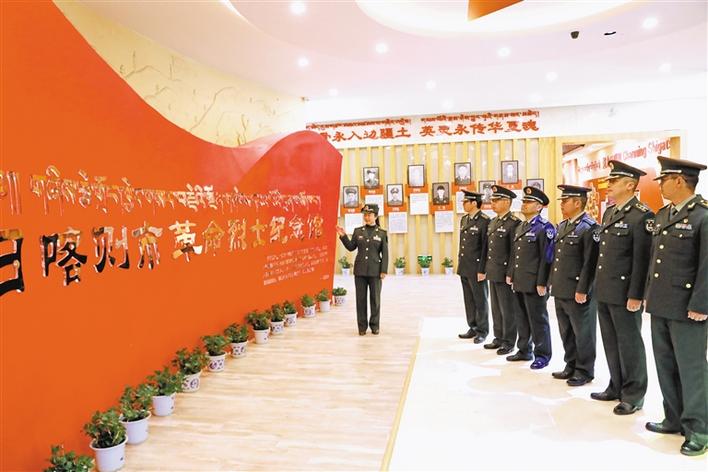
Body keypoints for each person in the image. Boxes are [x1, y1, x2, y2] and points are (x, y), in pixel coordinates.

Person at [644, 156, 707, 457]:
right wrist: (648, 294)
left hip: (688, 307)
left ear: (679, 180)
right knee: (666, 364)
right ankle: (673, 417)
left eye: (664, 180)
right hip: (662, 303)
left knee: (692, 369)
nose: (660, 185)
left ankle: (699, 429)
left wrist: (702, 303)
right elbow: (655, 262)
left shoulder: (702, 216)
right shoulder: (663, 215)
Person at [592, 161, 653, 415]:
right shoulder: (610, 213)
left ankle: (634, 394)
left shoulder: (642, 215)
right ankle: (616, 385)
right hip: (605, 290)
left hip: (625, 292)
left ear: (629, 185)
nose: (609, 185)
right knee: (611, 342)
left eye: (614, 181)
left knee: (630, 344)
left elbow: (642, 260)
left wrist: (636, 294)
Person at [549, 185, 600, 386]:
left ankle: (584, 370)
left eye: (565, 201)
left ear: (577, 203)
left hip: (578, 290)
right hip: (561, 288)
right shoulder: (563, 226)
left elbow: (590, 262)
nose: (561, 204)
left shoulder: (589, 227)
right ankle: (570, 365)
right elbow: (557, 259)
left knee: (583, 333)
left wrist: (583, 289)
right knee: (566, 331)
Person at [507, 185, 555, 369]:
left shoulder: (545, 228)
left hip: (535, 283)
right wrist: (511, 274)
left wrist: (543, 282)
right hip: (520, 280)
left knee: (538, 319)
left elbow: (547, 258)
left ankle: (542, 355)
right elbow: (515, 254)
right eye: (524, 201)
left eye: (529, 202)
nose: (524, 204)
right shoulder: (521, 226)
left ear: (539, 206)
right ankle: (524, 349)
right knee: (521, 317)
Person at [336, 204, 388, 336]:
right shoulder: (358, 231)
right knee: (361, 300)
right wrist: (343, 236)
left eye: (369, 215)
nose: (367, 217)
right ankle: (362, 327)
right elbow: (351, 247)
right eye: (365, 215)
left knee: (375, 300)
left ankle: (375, 326)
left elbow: (385, 253)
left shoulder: (382, 233)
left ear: (375, 216)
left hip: (375, 271)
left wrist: (383, 270)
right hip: (360, 271)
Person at [484, 185, 521, 355]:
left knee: (508, 309)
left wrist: (511, 272)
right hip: (493, 271)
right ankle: (498, 337)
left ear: (507, 202)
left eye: (496, 200)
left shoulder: (514, 223)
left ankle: (509, 340)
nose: (492, 203)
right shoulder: (493, 222)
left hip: (505, 272)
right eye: (492, 200)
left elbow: (514, 252)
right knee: (496, 308)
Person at [457, 190, 490, 344]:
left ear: (474, 203)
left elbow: (485, 248)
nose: (463, 204)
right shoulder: (464, 219)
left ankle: (482, 330)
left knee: (480, 300)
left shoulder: (484, 221)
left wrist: (482, 269)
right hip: (465, 266)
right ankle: (473, 326)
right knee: (469, 300)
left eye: (466, 202)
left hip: (477, 268)